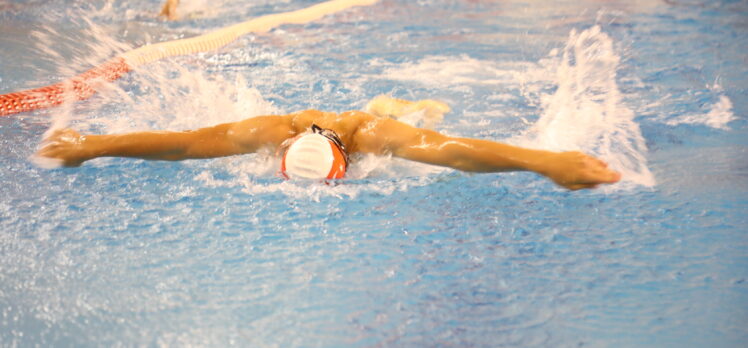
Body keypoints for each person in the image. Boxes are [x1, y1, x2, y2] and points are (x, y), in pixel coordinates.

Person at [35, 96, 621, 190]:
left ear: (344, 162)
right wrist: (93, 143)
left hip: (388, 119)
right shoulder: (270, 133)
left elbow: (457, 152)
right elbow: (185, 145)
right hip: (308, 123)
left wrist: (549, 163)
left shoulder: (374, 139)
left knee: (421, 124)